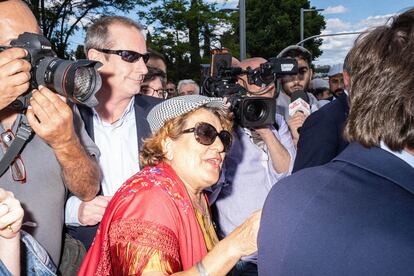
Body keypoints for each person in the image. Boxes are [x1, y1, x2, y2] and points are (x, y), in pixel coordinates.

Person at [259, 8, 414, 276]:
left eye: (302, 71)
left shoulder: (286, 196)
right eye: (290, 73)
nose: (297, 78)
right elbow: (315, 185)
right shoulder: (323, 122)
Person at [79, 95, 261, 275]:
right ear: (167, 144)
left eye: (224, 137)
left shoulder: (195, 194)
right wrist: (233, 247)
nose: (220, 146)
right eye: (206, 133)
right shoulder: (149, 198)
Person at [0, 0, 100, 267]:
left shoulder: (57, 104)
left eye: (37, 40)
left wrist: (66, 142)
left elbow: (89, 189)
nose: (32, 55)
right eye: (18, 46)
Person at [65, 15, 163, 254]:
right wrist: (74, 211)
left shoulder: (162, 116)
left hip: (154, 254)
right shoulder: (62, 117)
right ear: (96, 59)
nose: (142, 69)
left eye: (144, 58)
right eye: (130, 56)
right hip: (86, 254)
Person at [212, 57, 295, 275]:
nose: (266, 85)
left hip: (277, 249)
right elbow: (210, 187)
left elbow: (288, 173)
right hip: (240, 256)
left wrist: (266, 131)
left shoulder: (276, 120)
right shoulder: (221, 123)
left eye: (269, 78)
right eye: (257, 78)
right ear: (240, 83)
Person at [293, 60, 350, 172]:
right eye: (334, 81)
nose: (339, 86)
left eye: (342, 81)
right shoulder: (323, 115)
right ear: (329, 82)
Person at [276, 45, 320, 147]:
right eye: (289, 72)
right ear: (279, 76)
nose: (296, 80)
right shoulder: (271, 108)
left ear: (311, 74)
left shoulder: (318, 105)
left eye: (302, 71)